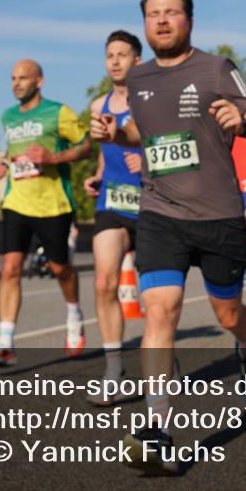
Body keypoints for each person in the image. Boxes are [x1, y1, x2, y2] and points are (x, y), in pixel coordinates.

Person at [91, 0, 246, 473]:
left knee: (229, 314)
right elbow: (142, 132)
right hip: (160, 212)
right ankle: (158, 430)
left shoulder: (216, 68)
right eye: (153, 14)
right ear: (145, 23)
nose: (162, 20)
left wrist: (242, 120)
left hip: (218, 216)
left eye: (171, 12)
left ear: (189, 20)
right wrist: (119, 133)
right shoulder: (139, 77)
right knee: (160, 311)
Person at [0, 60, 91, 367]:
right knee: (10, 268)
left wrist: (53, 157)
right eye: (12, 78)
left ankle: (74, 314)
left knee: (60, 269)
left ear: (39, 81)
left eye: (22, 78)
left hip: (53, 203)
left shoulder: (59, 112)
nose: (16, 84)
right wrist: (2, 165)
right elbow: (13, 152)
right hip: (17, 202)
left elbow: (86, 147)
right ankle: (6, 342)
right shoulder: (8, 116)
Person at [82, 30, 144, 402]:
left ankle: (162, 354)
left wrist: (147, 161)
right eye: (110, 55)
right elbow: (106, 152)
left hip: (152, 203)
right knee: (104, 284)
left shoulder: (153, 100)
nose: (115, 61)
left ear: (138, 60)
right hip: (113, 202)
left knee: (157, 297)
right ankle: (113, 371)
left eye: (123, 54)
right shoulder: (98, 106)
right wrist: (98, 175)